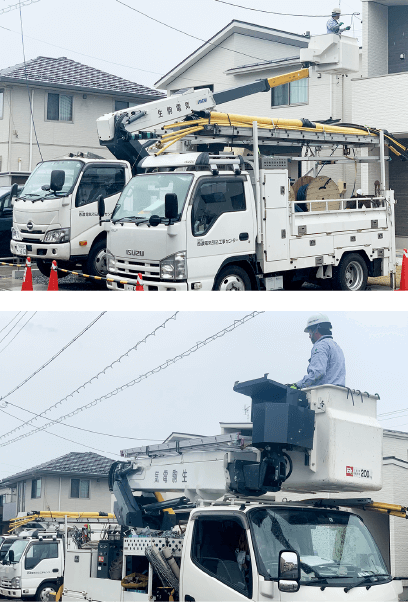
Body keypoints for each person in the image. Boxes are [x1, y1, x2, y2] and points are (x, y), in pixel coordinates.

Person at [289, 313, 346, 389]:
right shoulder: (336, 346)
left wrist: (297, 385)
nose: (309, 336)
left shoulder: (320, 346)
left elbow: (318, 372)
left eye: (310, 332)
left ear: (316, 329)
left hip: (323, 395)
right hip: (338, 394)